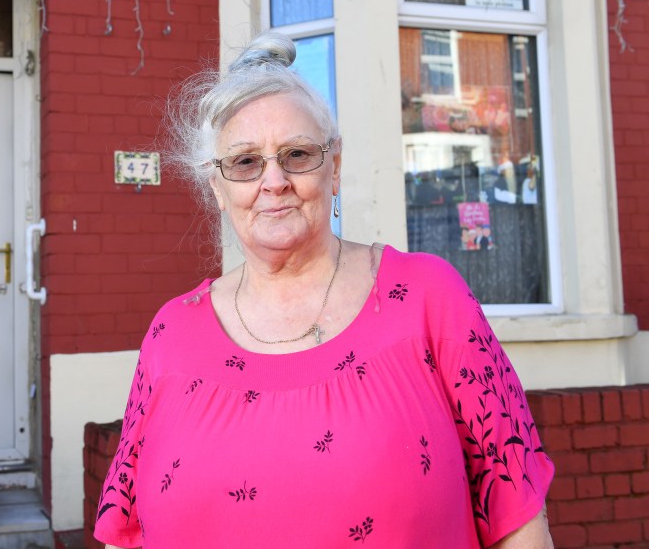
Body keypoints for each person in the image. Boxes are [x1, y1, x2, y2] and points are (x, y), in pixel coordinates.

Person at [94, 32, 554, 549]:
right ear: (217, 188)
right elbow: (124, 533)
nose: (274, 181)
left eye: (297, 155)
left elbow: (517, 520)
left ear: (335, 168)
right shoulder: (170, 333)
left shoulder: (428, 298)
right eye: (245, 162)